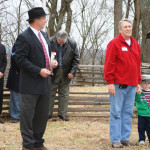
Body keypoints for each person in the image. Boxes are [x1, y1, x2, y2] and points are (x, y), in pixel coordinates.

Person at [14, 7, 57, 150]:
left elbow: (46, 55)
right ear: (36, 20)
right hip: (30, 83)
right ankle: (27, 145)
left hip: (45, 82)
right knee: (27, 116)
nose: (46, 20)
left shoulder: (44, 36)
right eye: (44, 18)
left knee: (41, 115)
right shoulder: (24, 37)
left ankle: (38, 143)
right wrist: (38, 70)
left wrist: (51, 63)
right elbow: (19, 59)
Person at [104, 18, 141, 148]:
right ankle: (115, 140)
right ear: (120, 29)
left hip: (132, 85)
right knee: (116, 112)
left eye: (129, 26)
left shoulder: (135, 44)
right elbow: (109, 64)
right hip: (118, 86)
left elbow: (137, 64)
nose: (128, 29)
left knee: (128, 113)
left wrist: (138, 82)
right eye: (125, 27)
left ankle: (125, 138)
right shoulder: (114, 43)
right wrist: (110, 82)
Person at [49, 30, 79, 121]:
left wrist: (72, 72)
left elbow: (76, 60)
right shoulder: (49, 42)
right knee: (50, 93)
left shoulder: (72, 43)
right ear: (56, 37)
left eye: (64, 41)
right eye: (60, 41)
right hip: (53, 72)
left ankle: (62, 114)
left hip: (66, 72)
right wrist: (49, 66)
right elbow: (44, 56)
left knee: (64, 94)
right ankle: (47, 114)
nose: (62, 43)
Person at [6, 44, 20, 123]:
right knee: (15, 96)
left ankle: (19, 115)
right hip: (15, 74)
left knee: (20, 97)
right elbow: (14, 59)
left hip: (23, 75)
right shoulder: (16, 46)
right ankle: (15, 116)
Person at [135, 74, 150, 145]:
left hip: (149, 114)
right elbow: (137, 100)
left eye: (148, 83)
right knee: (141, 127)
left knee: (149, 128)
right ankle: (141, 139)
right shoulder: (140, 93)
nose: (146, 85)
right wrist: (138, 93)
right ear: (141, 84)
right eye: (144, 83)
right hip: (141, 114)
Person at [0, 43, 7, 124]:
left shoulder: (2, 47)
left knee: (0, 97)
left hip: (0, 77)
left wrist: (1, 71)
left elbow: (5, 62)